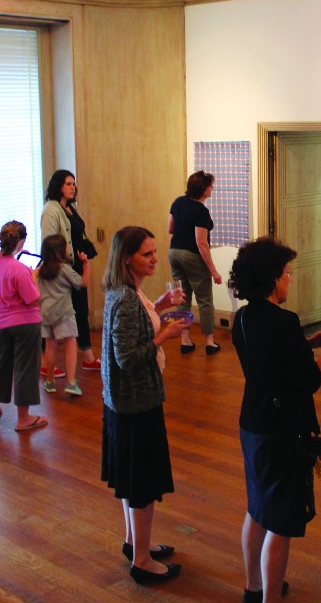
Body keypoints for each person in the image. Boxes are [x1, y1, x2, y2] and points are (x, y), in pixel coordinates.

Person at [229, 237, 321, 603]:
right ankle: (271, 597)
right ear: (272, 279)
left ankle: (254, 587)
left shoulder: (243, 318)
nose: (289, 280)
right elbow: (311, 380)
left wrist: (307, 341)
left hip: (254, 422)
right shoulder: (283, 321)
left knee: (258, 508)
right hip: (282, 432)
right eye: (286, 274)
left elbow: (273, 359)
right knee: (280, 522)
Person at [100, 226, 191, 585]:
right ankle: (141, 561)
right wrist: (164, 335)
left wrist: (162, 306)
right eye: (147, 254)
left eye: (155, 252)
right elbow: (126, 357)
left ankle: (134, 542)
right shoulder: (123, 298)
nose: (156, 259)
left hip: (127, 403)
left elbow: (139, 320)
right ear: (127, 259)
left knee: (132, 479)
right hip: (134, 405)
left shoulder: (127, 291)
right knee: (141, 483)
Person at [0, 220, 49, 432]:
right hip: (25, 324)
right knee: (25, 368)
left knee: (0, 365)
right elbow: (33, 299)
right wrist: (34, 276)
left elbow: (0, 275)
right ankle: (23, 418)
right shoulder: (20, 270)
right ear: (20, 242)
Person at [41, 169, 100, 374]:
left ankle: (87, 356)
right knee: (56, 314)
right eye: (68, 183)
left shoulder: (70, 207)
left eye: (73, 183)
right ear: (58, 186)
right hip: (61, 268)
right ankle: (46, 363)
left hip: (75, 264)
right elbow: (49, 242)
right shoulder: (51, 209)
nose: (72, 187)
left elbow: (77, 233)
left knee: (81, 311)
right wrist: (59, 265)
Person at [168, 170, 222, 355]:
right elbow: (201, 243)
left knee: (182, 297)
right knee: (205, 300)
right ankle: (209, 342)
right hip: (191, 256)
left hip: (174, 252)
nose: (212, 188)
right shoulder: (201, 211)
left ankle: (185, 340)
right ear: (203, 189)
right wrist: (214, 271)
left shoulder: (178, 202)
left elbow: (170, 228)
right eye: (210, 186)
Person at [37, 233, 91, 397]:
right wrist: (86, 264)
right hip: (64, 313)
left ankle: (51, 381)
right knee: (70, 344)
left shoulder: (41, 270)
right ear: (61, 250)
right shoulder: (64, 269)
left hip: (46, 313)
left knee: (50, 346)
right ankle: (70, 382)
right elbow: (82, 283)